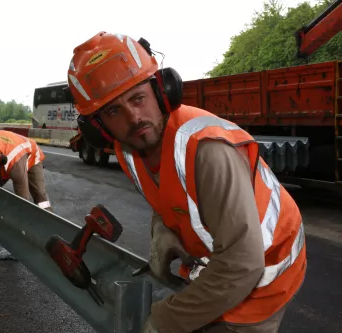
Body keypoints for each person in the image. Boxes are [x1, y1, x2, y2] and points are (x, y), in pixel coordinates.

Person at [66, 32, 306, 333]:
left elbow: (242, 265)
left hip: (266, 269)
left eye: (138, 98)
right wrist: (163, 229)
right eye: (114, 111)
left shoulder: (206, 151)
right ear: (98, 128)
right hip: (224, 258)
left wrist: (165, 321)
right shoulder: (128, 150)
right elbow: (169, 195)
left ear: (162, 91)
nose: (134, 117)